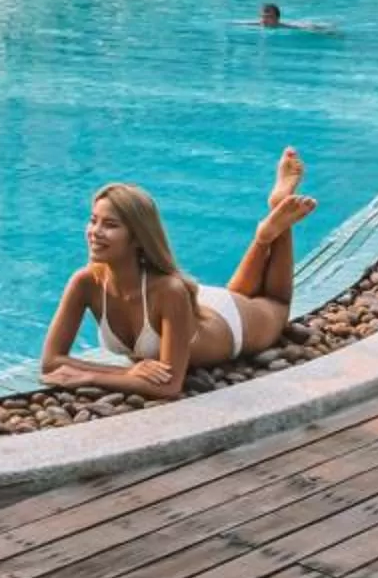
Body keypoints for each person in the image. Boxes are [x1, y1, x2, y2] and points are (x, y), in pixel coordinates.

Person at [40, 151, 317, 401]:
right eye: (93, 220)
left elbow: (170, 385)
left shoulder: (169, 290)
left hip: (230, 323)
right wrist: (127, 372)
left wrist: (90, 376)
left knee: (276, 303)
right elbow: (51, 361)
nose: (95, 232)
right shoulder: (85, 282)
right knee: (238, 292)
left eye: (110, 225)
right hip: (197, 306)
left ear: (137, 238)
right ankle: (264, 236)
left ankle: (276, 219)